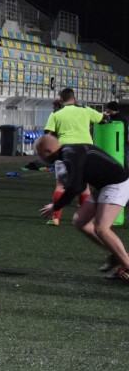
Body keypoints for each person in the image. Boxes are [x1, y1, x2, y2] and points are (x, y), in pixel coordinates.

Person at [36, 134, 129, 280]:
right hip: (104, 186)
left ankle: (127, 265)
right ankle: (115, 255)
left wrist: (56, 206)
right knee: (80, 221)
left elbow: (76, 186)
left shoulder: (69, 154)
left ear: (47, 151)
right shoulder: (67, 153)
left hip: (116, 184)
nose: (41, 159)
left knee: (101, 228)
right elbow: (80, 184)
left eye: (41, 154)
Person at [43, 88, 102, 226]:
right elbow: (102, 119)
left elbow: (48, 135)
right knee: (85, 186)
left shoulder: (56, 114)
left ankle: (55, 218)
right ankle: (88, 219)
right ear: (74, 99)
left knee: (61, 185)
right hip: (87, 152)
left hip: (66, 151)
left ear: (61, 100)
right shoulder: (86, 110)